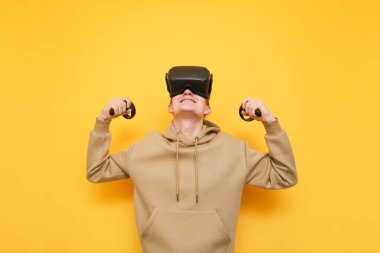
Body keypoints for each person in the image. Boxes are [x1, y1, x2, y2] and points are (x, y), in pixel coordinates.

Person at [86, 66, 298, 253]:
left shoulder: (235, 151)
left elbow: (285, 175)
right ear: (170, 107)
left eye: (196, 90)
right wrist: (103, 121)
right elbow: (97, 171)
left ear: (207, 109)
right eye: (179, 90)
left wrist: (270, 123)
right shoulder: (143, 150)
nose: (187, 91)